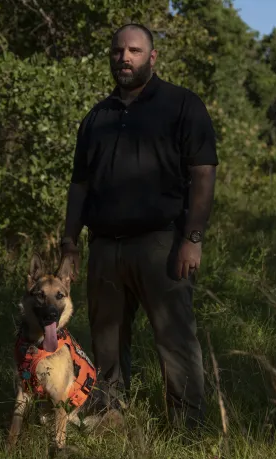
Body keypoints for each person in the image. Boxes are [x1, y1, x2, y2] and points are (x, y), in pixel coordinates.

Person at [59, 23, 218, 431]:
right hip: (105, 248)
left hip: (162, 245)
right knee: (107, 341)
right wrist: (70, 244)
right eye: (117, 51)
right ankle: (109, 415)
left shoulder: (182, 105)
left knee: (176, 341)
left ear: (152, 56)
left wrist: (192, 238)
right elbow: (80, 184)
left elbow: (203, 173)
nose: (124, 58)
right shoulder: (98, 117)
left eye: (133, 51)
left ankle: (188, 430)